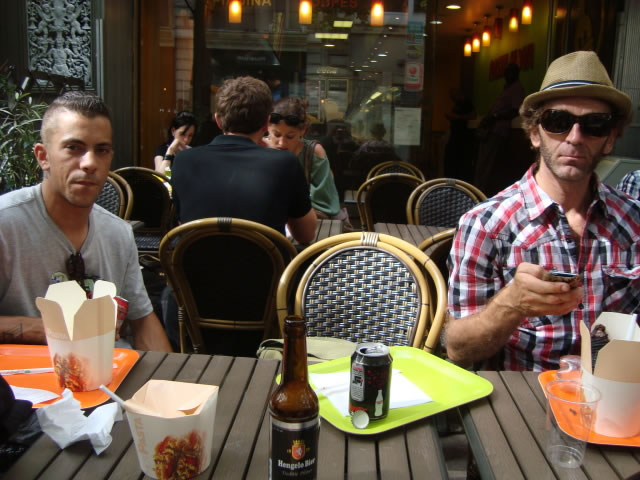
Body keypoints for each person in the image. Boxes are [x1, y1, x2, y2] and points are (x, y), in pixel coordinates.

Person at [445, 51, 636, 371]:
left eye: (594, 125)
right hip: (522, 403)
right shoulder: (486, 225)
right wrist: (511, 303)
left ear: (610, 139)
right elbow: (458, 349)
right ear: (535, 132)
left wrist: (604, 366)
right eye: (558, 122)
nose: (575, 138)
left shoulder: (633, 222)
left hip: (615, 398)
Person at [0, 91, 172, 353]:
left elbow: (142, 321)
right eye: (74, 147)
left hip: (111, 379)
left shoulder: (118, 233)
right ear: (42, 156)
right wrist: (54, 328)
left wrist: (170, 385)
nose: (90, 163)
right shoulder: (6, 224)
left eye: (101, 150)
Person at [171, 76, 317, 242]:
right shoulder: (284, 164)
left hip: (193, 266)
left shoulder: (183, 161)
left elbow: (184, 224)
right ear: (266, 124)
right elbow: (306, 235)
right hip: (266, 267)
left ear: (218, 120)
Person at [265, 97, 350, 229]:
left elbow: (324, 205)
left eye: (290, 136)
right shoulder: (260, 149)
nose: (282, 143)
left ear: (302, 131)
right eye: (276, 134)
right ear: (267, 128)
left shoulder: (313, 153)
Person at [474, 63, 525, 194]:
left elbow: (516, 110)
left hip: (499, 131)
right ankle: (478, 191)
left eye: (509, 72)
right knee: (482, 165)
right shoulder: (507, 88)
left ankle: (481, 193)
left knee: (488, 166)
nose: (506, 76)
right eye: (506, 72)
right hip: (491, 130)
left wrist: (495, 116)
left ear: (515, 73)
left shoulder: (517, 88)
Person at [443, 89, 476, 182]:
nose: (452, 99)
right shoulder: (457, 104)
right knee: (450, 163)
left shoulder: (466, 103)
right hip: (454, 138)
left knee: (461, 165)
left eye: (454, 96)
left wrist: (457, 117)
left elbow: (473, 115)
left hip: (463, 140)